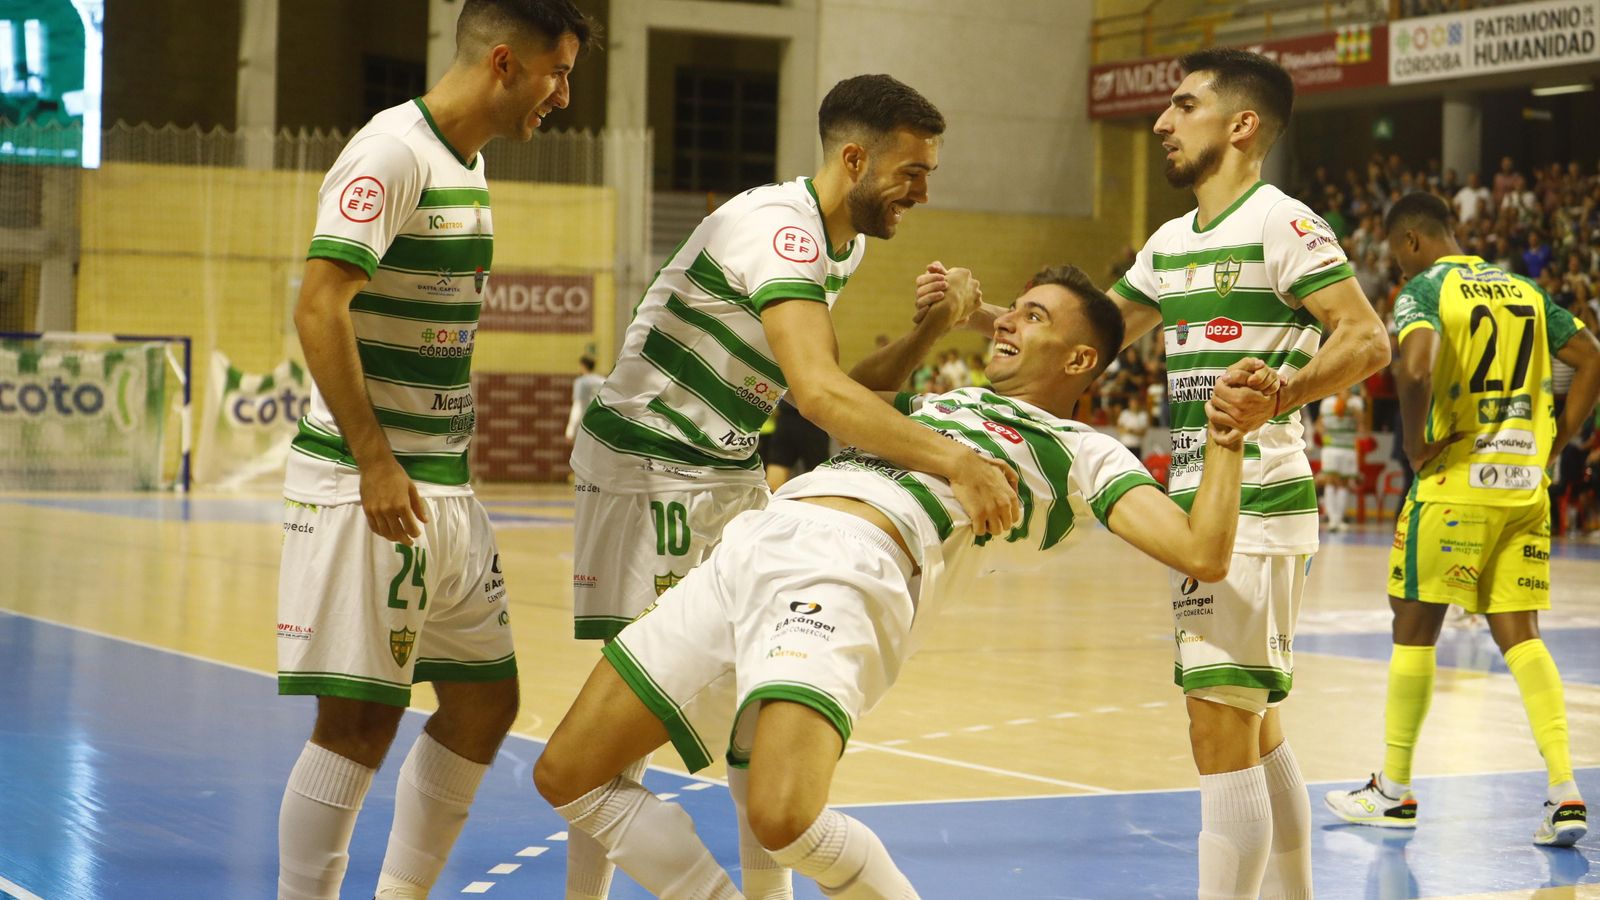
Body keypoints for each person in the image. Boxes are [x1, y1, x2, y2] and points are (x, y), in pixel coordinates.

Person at [534, 265, 1278, 899]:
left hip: (848, 566)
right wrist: (933, 327)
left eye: (1033, 316)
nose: (1006, 322)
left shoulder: (1085, 450)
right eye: (1012, 309)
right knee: (568, 773)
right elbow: (832, 399)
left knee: (784, 818)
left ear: (1081, 359)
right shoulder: (944, 402)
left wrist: (1226, 439)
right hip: (754, 541)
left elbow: (1200, 551)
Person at [563, 74, 1018, 900]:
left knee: (761, 706)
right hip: (650, 465)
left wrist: (930, 328)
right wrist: (954, 459)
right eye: (913, 172)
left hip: (725, 468)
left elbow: (838, 386)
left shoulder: (839, 244)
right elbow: (820, 394)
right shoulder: (781, 231)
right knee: (622, 729)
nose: (924, 191)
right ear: (856, 159)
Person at [274, 3, 594, 899]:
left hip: (445, 487)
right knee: (357, 727)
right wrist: (375, 461)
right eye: (558, 73)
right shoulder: (391, 153)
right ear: (505, 62)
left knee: (487, 703)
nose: (563, 96)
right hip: (369, 485)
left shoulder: (468, 161)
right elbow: (319, 306)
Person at [1105, 48, 1391, 899]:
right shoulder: (1168, 243)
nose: (1163, 122)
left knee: (1217, 733)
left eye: (1183, 105)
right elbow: (1090, 335)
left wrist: (1282, 394)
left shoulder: (1281, 223)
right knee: (1255, 732)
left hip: (1257, 509)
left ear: (1241, 125)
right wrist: (994, 320)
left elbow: (1366, 338)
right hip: (1204, 512)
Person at [1323, 192, 1600, 848]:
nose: (1398, 266)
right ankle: (1564, 790)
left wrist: (1415, 443)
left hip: (1455, 484)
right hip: (1524, 487)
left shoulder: (1424, 290)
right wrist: (1558, 440)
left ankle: (1393, 790)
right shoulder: (1524, 290)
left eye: (1397, 254)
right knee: (1522, 637)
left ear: (1412, 242)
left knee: (1413, 626)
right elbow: (1590, 357)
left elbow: (1415, 366)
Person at [1315, 385, 1366, 533]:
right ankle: (1332, 520)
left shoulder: (1356, 403)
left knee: (1343, 483)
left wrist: (1351, 408)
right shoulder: (1328, 402)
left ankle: (1337, 520)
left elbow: (1361, 425)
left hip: (1347, 448)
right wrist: (1326, 434)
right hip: (1333, 448)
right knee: (1331, 481)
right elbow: (1319, 425)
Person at [565, 355, 604, 442]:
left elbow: (577, 405)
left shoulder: (580, 382)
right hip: (600, 424)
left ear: (583, 365)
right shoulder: (602, 381)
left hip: (584, 425)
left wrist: (570, 430)